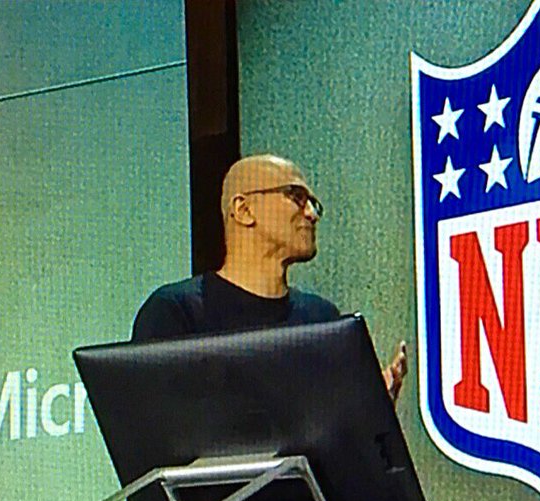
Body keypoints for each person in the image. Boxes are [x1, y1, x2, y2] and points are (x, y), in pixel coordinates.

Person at [132, 153, 406, 399]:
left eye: (313, 203)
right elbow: (152, 427)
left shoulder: (322, 318)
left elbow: (339, 433)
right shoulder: (176, 313)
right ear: (244, 210)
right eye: (295, 196)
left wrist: (373, 412)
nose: (311, 214)